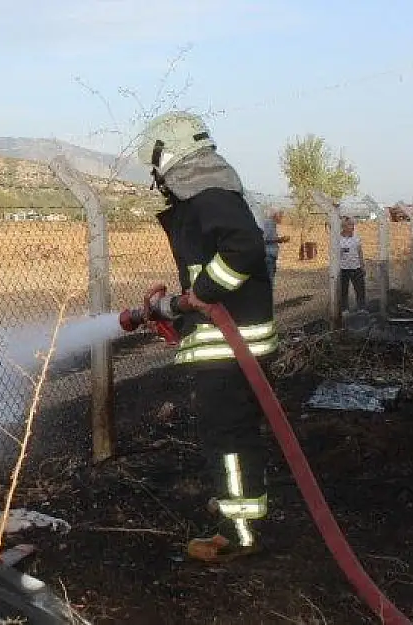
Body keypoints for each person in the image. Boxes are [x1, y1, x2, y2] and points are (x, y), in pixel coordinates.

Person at [135, 111, 278, 562]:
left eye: (155, 166)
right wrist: (183, 306)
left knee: (227, 437)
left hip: (229, 349)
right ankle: (238, 503)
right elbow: (215, 263)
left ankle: (237, 534)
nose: (155, 176)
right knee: (235, 434)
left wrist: (199, 293)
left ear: (167, 155)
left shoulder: (208, 193)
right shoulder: (208, 194)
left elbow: (245, 249)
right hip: (232, 341)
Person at [338, 216, 366, 312]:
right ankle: (344, 310)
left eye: (353, 224)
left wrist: (362, 266)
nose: (352, 227)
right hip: (343, 268)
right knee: (343, 290)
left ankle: (361, 309)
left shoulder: (356, 238)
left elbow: (360, 252)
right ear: (344, 227)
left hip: (356, 267)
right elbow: (335, 254)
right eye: (350, 225)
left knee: (360, 290)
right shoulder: (338, 239)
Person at [262, 208, 290, 288]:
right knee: (269, 280)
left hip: (270, 255)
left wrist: (279, 240)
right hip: (268, 255)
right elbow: (264, 239)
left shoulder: (271, 224)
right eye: (280, 215)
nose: (281, 217)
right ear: (275, 215)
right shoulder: (269, 223)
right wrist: (280, 239)